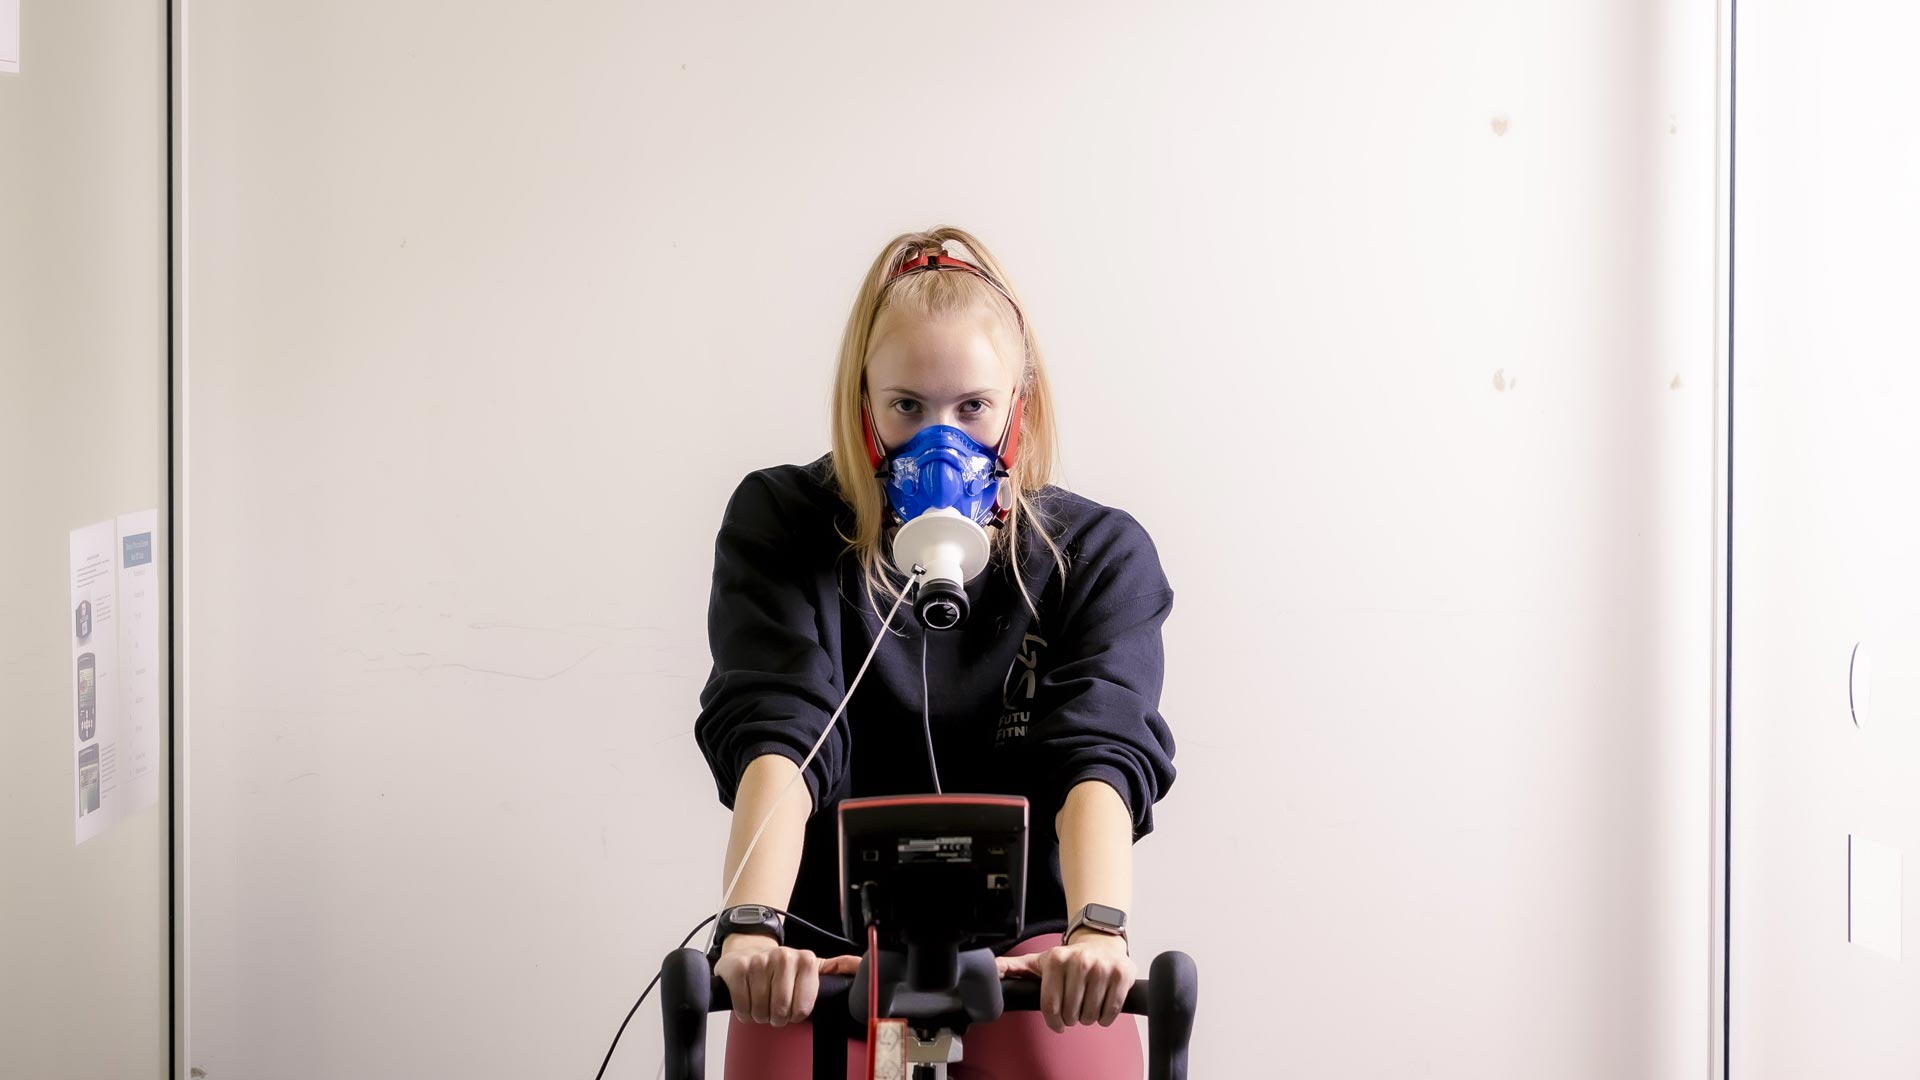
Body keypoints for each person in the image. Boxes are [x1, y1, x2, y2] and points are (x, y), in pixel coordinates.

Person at [693, 225, 1177, 1079]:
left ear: (1018, 409)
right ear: (863, 406)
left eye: (972, 408)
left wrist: (1097, 932)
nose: (938, 439)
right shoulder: (783, 526)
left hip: (1029, 958)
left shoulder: (1097, 556)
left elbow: (1100, 755)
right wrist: (752, 928)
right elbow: (780, 730)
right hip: (819, 956)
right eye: (907, 406)